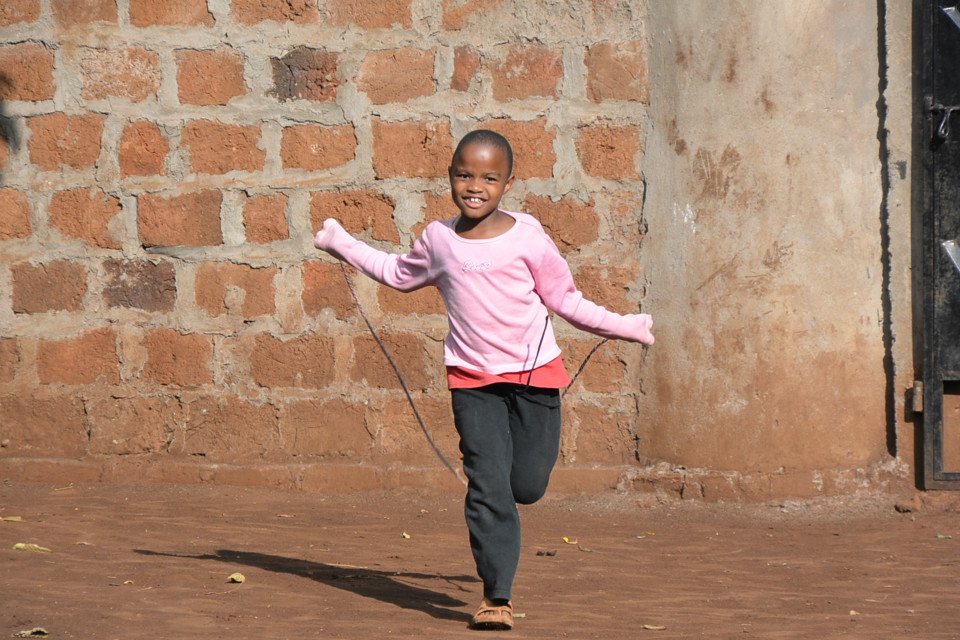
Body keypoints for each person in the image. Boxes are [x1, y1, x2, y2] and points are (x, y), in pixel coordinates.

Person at [314, 129, 654, 631]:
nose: (475, 186)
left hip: (536, 380)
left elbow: (566, 302)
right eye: (465, 175)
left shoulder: (529, 238)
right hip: (473, 383)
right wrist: (340, 242)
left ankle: (507, 514)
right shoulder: (439, 240)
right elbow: (395, 272)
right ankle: (497, 596)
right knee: (488, 483)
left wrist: (628, 326)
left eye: (489, 178)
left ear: (508, 183)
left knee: (527, 486)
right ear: (450, 176)